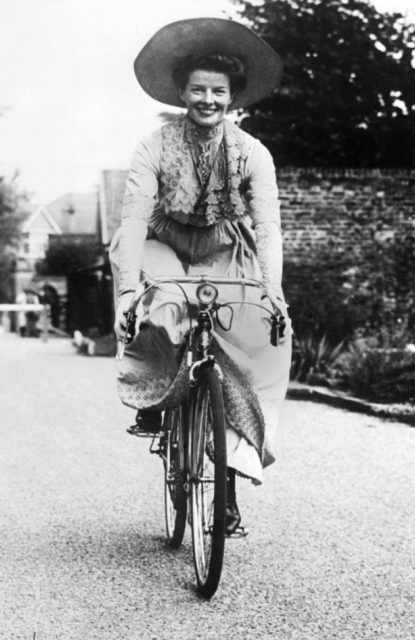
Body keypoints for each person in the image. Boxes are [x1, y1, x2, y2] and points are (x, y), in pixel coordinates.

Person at [109, 18, 292, 534]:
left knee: (254, 335)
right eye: (198, 90)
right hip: (162, 240)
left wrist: (272, 292)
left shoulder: (254, 154)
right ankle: (155, 396)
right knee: (163, 309)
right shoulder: (154, 146)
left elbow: (269, 226)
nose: (208, 100)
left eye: (219, 92)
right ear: (182, 93)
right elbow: (133, 219)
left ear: (233, 99)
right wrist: (128, 292)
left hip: (224, 246)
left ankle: (229, 485)